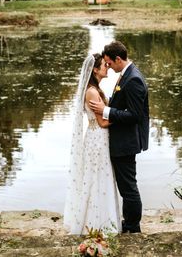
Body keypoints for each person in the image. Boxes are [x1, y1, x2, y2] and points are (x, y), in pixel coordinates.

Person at [88, 41, 149, 233]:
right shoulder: (127, 76)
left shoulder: (133, 80)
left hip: (126, 143)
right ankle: (128, 222)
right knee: (126, 187)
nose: (109, 67)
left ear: (118, 59)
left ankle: (132, 226)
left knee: (128, 188)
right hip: (122, 141)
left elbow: (135, 116)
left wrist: (107, 111)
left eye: (109, 63)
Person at [63, 53, 121, 235]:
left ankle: (101, 222)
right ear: (95, 69)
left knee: (100, 177)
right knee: (96, 178)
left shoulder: (95, 89)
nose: (108, 67)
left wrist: (111, 111)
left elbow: (104, 116)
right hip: (97, 139)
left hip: (98, 137)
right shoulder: (92, 92)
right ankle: (95, 224)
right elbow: (103, 122)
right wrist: (123, 116)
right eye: (105, 65)